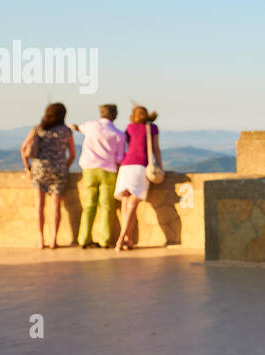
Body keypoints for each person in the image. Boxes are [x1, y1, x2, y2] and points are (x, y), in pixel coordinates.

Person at [20, 103, 76, 249]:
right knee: (55, 206)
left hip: (39, 170)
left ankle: (41, 239)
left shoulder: (38, 129)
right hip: (59, 171)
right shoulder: (66, 131)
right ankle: (53, 239)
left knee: (40, 205)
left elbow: (23, 149)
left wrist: (28, 168)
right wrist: (65, 167)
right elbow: (72, 154)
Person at [72, 104, 126, 248]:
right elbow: (120, 158)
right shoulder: (118, 134)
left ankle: (83, 239)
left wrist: (73, 127)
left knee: (89, 205)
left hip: (89, 169)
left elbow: (77, 128)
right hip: (109, 170)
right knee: (107, 207)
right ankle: (104, 240)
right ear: (115, 115)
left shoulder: (91, 126)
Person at [113, 105, 161, 252]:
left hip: (125, 167)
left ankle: (127, 238)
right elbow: (155, 148)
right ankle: (122, 238)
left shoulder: (129, 127)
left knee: (126, 202)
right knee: (133, 202)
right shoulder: (152, 128)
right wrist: (160, 167)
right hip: (140, 167)